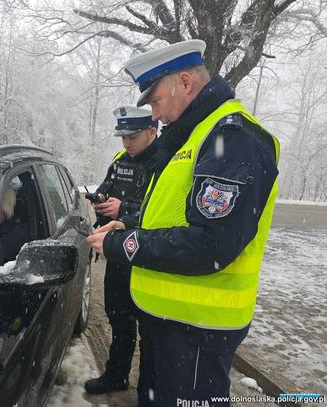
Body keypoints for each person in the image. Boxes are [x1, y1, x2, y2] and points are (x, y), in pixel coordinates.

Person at [86, 39, 279, 406]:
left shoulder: (232, 137)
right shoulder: (192, 136)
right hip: (170, 325)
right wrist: (128, 227)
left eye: (156, 101)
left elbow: (211, 244)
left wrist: (122, 245)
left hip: (198, 333)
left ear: (186, 83)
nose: (154, 116)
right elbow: (171, 215)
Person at [84, 106, 158, 394]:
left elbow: (161, 212)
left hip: (148, 257)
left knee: (150, 331)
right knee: (119, 318)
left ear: (152, 132)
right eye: (123, 137)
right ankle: (116, 376)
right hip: (118, 253)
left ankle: (150, 392)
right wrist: (101, 198)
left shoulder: (164, 162)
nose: (126, 143)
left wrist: (123, 210)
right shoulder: (120, 159)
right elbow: (107, 184)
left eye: (133, 136)